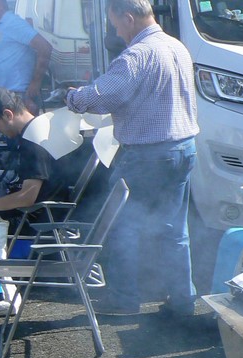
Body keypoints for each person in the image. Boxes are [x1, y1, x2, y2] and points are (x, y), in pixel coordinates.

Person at [64, 0, 199, 317]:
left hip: (148, 155)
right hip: (183, 148)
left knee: (122, 227)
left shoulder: (136, 55)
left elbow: (102, 96)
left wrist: (72, 96)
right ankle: (183, 300)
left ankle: (124, 300)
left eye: (115, 25)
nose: (116, 32)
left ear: (128, 18)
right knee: (175, 231)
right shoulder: (177, 47)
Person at [0, 87, 63, 234]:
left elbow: (27, 197)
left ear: (7, 114)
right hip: (30, 214)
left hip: (33, 221)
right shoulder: (35, 130)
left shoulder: (34, 139)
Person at [0, 0, 53, 114]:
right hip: (2, 95)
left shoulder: (13, 22)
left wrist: (36, 83)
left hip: (17, 96)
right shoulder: (0, 26)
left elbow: (45, 48)